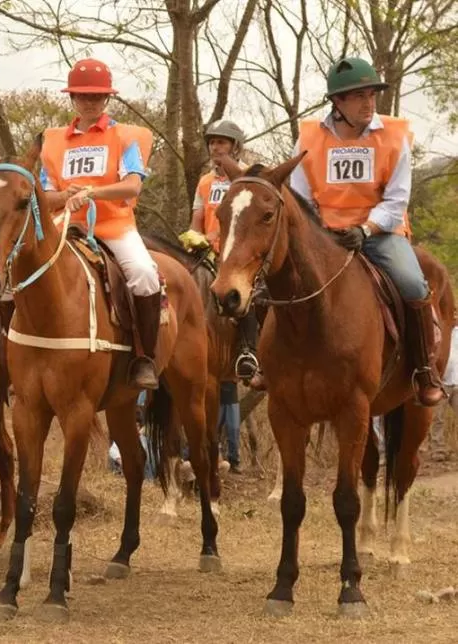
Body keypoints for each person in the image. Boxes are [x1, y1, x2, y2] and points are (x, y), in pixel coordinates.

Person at [290, 56, 444, 407]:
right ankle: (266, 362)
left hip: (380, 233)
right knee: (278, 279)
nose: (369, 102)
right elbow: (299, 197)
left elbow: (397, 199)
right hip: (325, 235)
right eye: (359, 96)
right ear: (337, 102)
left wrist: (366, 228)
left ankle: (423, 368)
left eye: (372, 94)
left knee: (412, 282)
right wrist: (317, 234)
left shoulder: (392, 136)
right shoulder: (310, 138)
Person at [38, 58, 158, 388]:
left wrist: (91, 192)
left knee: (145, 275)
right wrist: (65, 197)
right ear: (72, 98)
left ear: (107, 99)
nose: (90, 102)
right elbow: (44, 197)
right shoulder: (52, 143)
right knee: (17, 268)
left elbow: (133, 185)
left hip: (114, 226)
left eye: (97, 96)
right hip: (64, 225)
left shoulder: (125, 137)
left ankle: (145, 357)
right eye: (83, 96)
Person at [182, 119, 261, 385]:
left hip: (240, 255)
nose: (216, 148)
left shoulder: (249, 176)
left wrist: (216, 236)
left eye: (222, 142)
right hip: (207, 252)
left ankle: (248, 351)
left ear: (235, 146)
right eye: (213, 142)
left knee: (251, 295)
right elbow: (197, 218)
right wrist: (194, 238)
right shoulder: (205, 182)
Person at [428, 325, 458, 460]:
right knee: (437, 418)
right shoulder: (439, 332)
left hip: (456, 381)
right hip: (442, 383)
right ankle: (437, 449)